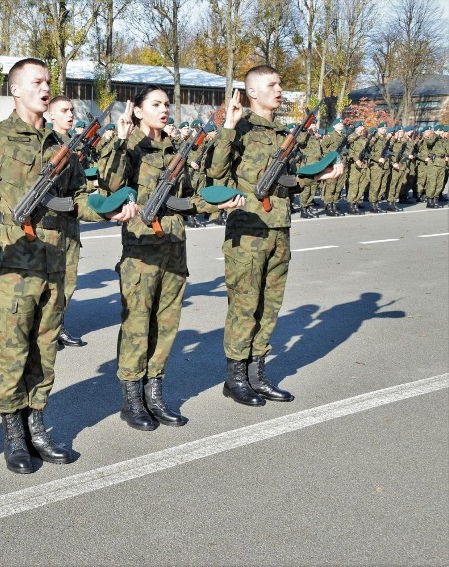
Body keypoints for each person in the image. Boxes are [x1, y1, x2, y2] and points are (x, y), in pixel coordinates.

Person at [0, 58, 137, 474]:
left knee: (44, 349)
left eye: (48, 81)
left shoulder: (59, 142)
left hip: (56, 263)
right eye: (37, 82)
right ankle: (14, 433)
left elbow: (79, 197)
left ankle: (37, 423)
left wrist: (109, 209)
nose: (46, 87)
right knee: (13, 351)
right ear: (16, 90)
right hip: (13, 265)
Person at [98, 86, 240, 431]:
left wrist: (218, 204)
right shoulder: (130, 148)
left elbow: (195, 194)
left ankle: (155, 393)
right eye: (156, 105)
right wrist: (119, 140)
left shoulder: (176, 149)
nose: (164, 110)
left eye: (166, 105)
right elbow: (109, 186)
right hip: (141, 255)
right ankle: (132, 399)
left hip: (175, 250)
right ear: (139, 111)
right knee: (137, 327)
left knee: (166, 326)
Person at [207, 66, 342, 407]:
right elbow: (216, 173)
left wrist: (320, 176)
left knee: (270, 306)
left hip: (280, 229)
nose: (279, 89)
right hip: (248, 232)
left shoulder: (284, 131)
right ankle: (235, 377)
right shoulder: (238, 128)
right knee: (244, 306)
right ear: (252, 92)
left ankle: (257, 373)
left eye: (280, 84)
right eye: (272, 85)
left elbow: (291, 180)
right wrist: (227, 127)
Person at [48, 94, 86, 347]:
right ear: (51, 115)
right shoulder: (48, 142)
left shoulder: (74, 144)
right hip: (50, 222)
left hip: (70, 220)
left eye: (72, 109)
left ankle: (60, 324)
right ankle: (48, 328)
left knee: (68, 278)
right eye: (64, 110)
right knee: (50, 280)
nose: (70, 114)